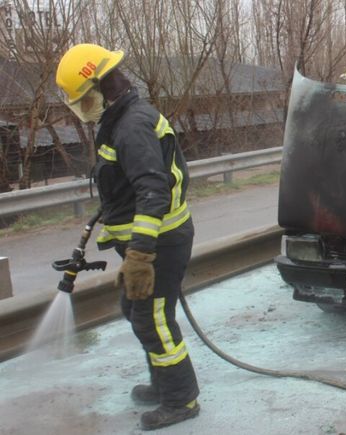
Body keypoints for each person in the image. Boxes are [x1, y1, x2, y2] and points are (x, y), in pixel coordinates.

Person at [55, 43, 200, 430]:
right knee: (135, 310)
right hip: (151, 244)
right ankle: (163, 382)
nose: (85, 109)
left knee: (152, 319)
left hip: (160, 243)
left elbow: (152, 189)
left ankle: (181, 400)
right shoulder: (120, 120)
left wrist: (139, 255)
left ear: (103, 86)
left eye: (86, 100)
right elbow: (126, 180)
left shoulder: (132, 124)